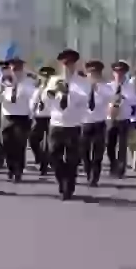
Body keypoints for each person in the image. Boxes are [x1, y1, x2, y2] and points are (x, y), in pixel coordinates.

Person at [42, 49, 89, 200]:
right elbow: (45, 99)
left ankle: (69, 186)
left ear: (75, 65)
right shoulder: (54, 80)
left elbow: (85, 100)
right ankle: (61, 178)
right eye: (65, 64)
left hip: (73, 125)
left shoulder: (82, 82)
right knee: (52, 156)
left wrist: (69, 93)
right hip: (56, 124)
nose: (67, 67)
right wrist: (55, 91)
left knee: (72, 159)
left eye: (70, 64)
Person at [0, 56, 36, 183]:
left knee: (19, 145)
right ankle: (10, 166)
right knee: (6, 143)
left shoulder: (28, 82)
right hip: (7, 116)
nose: (15, 70)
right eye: (12, 68)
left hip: (22, 117)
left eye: (18, 68)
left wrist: (18, 85)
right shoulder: (3, 81)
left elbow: (33, 98)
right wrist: (2, 85)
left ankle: (18, 170)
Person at [80, 60, 114, 186]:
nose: (92, 76)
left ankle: (95, 176)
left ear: (99, 74)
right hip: (84, 123)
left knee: (98, 153)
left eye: (95, 73)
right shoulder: (82, 87)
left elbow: (112, 100)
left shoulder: (106, 88)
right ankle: (88, 169)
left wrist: (98, 89)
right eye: (90, 73)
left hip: (99, 123)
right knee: (83, 152)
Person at [106, 60, 136, 178]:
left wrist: (123, 98)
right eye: (116, 72)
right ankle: (113, 164)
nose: (118, 74)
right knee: (109, 145)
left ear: (124, 73)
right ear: (113, 73)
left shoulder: (130, 87)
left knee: (122, 146)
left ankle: (120, 169)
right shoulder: (108, 87)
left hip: (124, 119)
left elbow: (134, 103)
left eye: (121, 72)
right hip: (110, 119)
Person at [29, 66, 56, 175]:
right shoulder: (37, 89)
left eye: (48, 76)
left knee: (48, 143)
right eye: (44, 75)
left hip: (51, 117)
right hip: (39, 117)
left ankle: (45, 165)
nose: (46, 78)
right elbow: (32, 104)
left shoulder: (55, 89)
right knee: (33, 139)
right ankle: (40, 158)